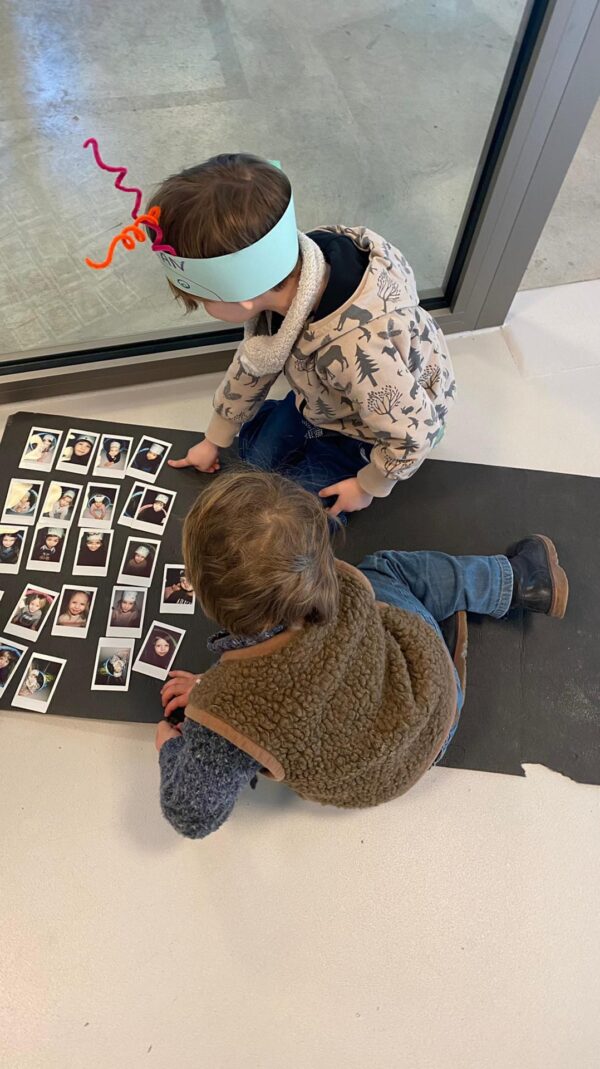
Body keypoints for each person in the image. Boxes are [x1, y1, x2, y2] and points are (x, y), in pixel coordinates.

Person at [154, 471, 569, 839]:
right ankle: (517, 581)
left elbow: (191, 814)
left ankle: (453, 645)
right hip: (432, 696)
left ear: (197, 587)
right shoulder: (332, 583)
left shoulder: (226, 711)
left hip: (389, 773)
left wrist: (173, 745)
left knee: (385, 578)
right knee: (386, 571)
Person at [154, 154, 455, 518]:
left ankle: (335, 461)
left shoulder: (358, 346)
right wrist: (216, 437)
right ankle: (304, 432)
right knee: (253, 466)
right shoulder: (288, 273)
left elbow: (413, 432)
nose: (202, 308)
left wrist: (368, 485)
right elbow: (256, 362)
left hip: (375, 430)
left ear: (243, 298)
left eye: (203, 301)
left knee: (293, 519)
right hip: (324, 399)